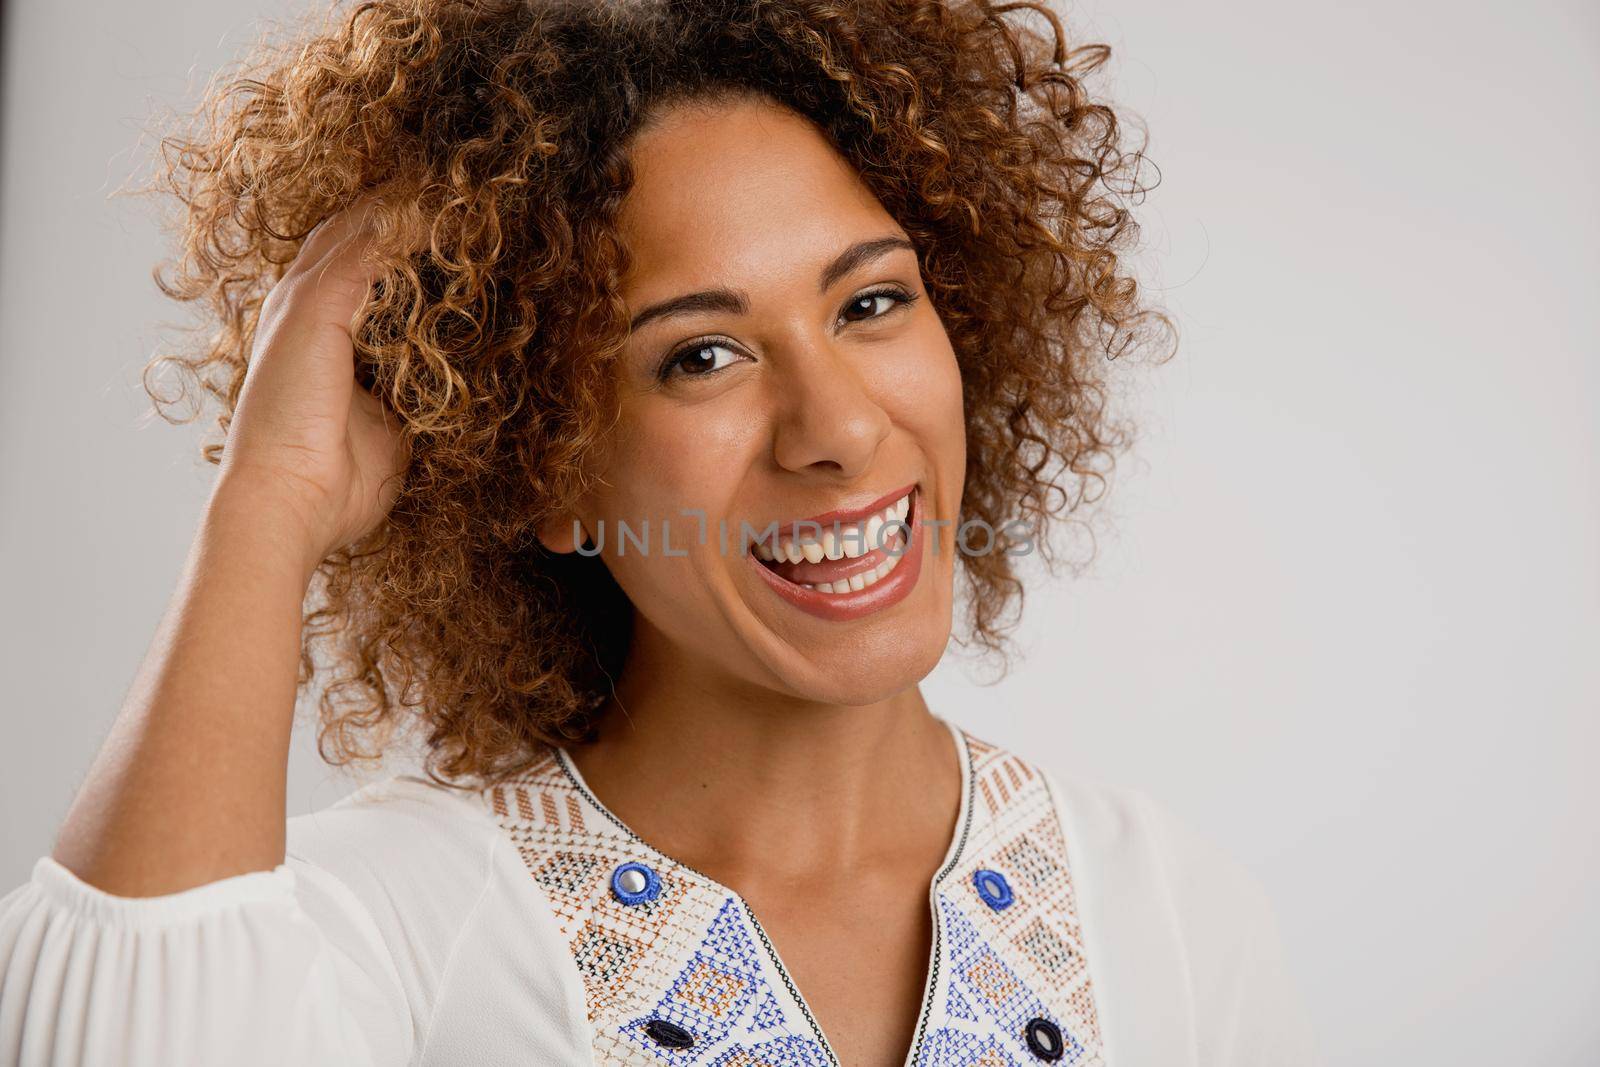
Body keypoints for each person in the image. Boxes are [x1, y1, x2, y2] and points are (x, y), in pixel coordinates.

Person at [0, 0, 1320, 1064]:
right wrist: (269, 503)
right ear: (542, 466)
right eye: (701, 354)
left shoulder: (1169, 918)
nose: (841, 429)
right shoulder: (401, 920)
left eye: (869, 306)